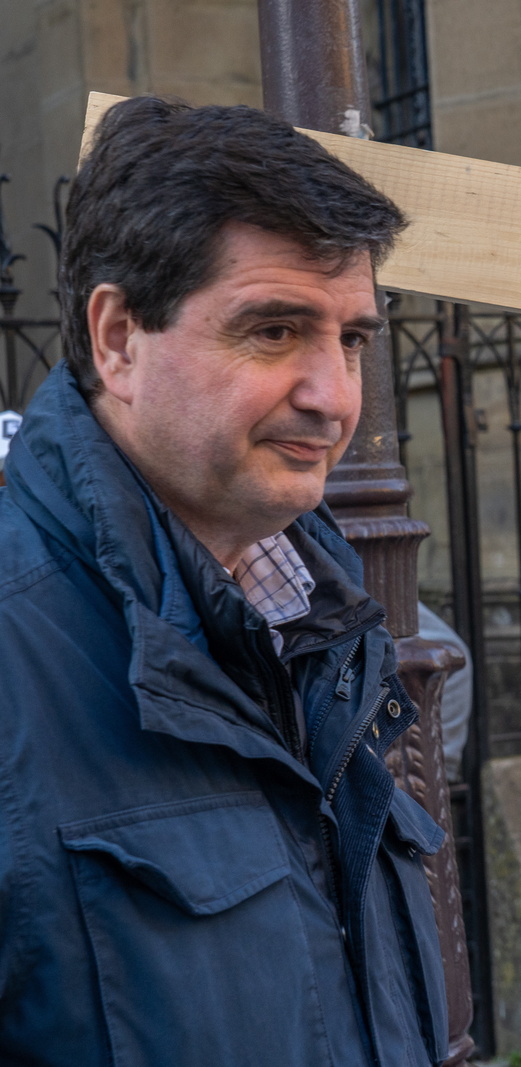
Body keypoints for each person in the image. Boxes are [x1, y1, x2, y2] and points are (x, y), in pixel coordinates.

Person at [0, 97, 449, 1065]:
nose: (334, 396)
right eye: (275, 330)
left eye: (353, 338)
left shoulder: (326, 636)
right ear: (118, 338)